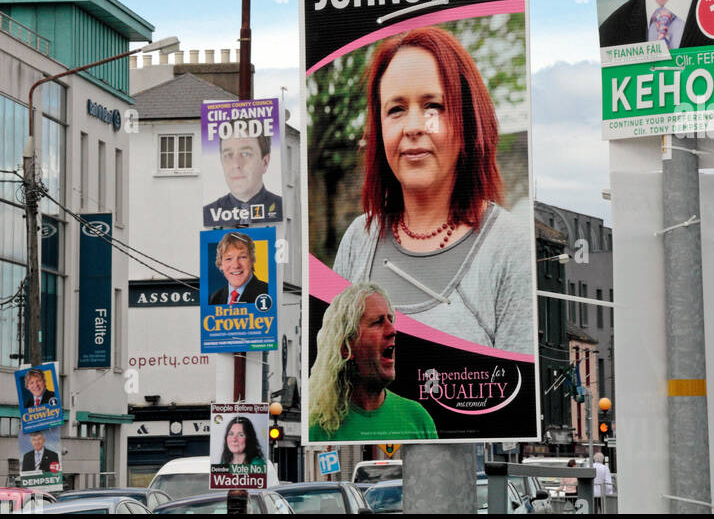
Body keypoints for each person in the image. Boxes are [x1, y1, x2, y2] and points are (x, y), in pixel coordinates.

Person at [333, 27, 534, 352]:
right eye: (396, 109)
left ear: (468, 120)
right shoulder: (359, 240)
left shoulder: (510, 248)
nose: (413, 127)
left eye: (433, 107)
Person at [308, 282, 437, 441]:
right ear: (346, 348)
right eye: (377, 322)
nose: (393, 331)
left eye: (391, 320)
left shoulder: (418, 418)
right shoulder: (316, 427)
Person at [202, 129, 283, 228]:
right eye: (228, 155)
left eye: (246, 154)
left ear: (265, 162)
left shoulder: (282, 208)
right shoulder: (208, 213)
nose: (236, 165)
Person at [208, 231, 269, 305]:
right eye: (228, 259)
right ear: (221, 264)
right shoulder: (213, 299)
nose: (236, 265)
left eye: (242, 257)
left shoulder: (268, 292)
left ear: (252, 260)